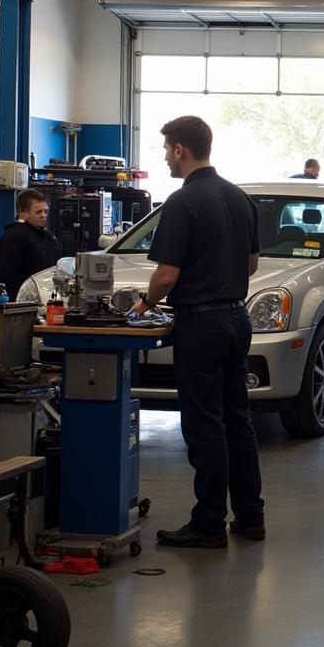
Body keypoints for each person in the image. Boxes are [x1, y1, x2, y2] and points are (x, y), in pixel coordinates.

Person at [131, 115, 264, 549]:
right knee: (238, 421)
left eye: (166, 148)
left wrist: (145, 304)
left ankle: (208, 525)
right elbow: (251, 265)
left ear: (179, 150)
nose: (165, 156)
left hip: (201, 325)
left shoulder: (182, 202)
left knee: (204, 425)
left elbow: (166, 275)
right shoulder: (240, 198)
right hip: (235, 319)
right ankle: (250, 517)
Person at [0, 188, 59, 300]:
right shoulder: (14, 237)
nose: (44, 215)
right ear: (23, 212)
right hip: (23, 301)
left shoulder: (47, 236)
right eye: (38, 212)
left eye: (45, 211)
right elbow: (5, 275)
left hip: (46, 297)